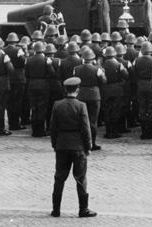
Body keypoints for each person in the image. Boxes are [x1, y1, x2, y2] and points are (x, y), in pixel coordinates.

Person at [49, 77, 96, 218]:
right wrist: (88, 145)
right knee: (81, 178)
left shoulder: (57, 105)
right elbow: (86, 128)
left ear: (65, 90)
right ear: (77, 90)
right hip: (78, 145)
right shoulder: (81, 106)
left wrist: (55, 144)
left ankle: (56, 209)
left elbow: (52, 127)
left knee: (59, 178)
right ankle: (83, 209)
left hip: (62, 144)